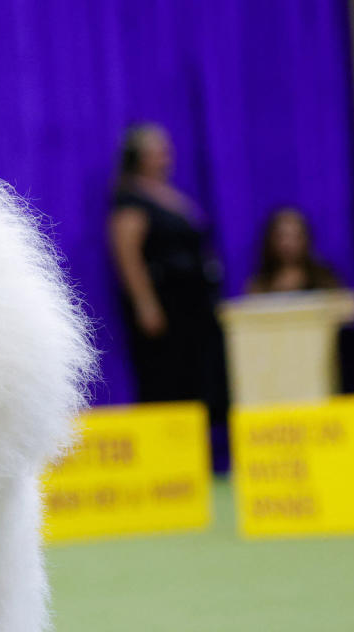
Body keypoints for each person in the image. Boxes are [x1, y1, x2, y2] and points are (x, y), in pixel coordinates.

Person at [108, 123, 230, 471]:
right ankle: (170, 462)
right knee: (167, 378)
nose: (164, 154)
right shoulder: (130, 198)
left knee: (199, 378)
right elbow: (127, 255)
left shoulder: (169, 193)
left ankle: (200, 455)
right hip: (165, 305)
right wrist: (146, 304)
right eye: (155, 149)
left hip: (195, 305)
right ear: (138, 156)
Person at [247, 206, 341, 294]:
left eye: (295, 236)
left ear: (306, 238)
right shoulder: (259, 285)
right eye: (282, 236)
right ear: (270, 239)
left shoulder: (324, 279)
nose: (288, 244)